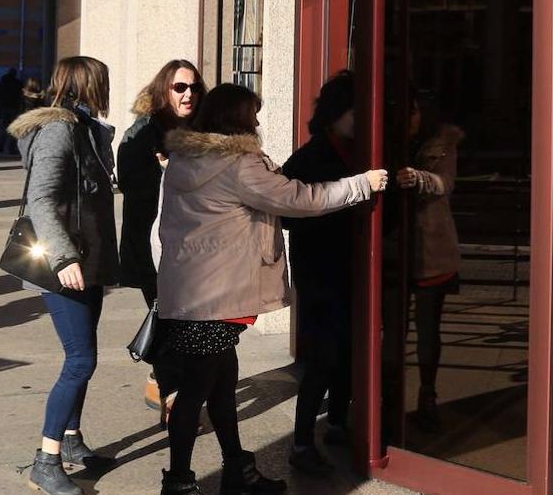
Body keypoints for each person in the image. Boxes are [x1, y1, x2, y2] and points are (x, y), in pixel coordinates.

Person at [156, 83, 388, 495]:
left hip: (190, 291)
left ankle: (236, 469)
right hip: (217, 294)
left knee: (221, 385)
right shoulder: (238, 165)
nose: (258, 121)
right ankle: (179, 480)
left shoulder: (183, 159)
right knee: (197, 391)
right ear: (236, 118)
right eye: (253, 113)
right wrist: (362, 184)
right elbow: (300, 199)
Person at [7, 56, 119, 495]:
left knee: (82, 357)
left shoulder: (85, 128)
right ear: (89, 84)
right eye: (102, 81)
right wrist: (63, 258)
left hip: (85, 263)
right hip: (64, 266)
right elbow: (41, 198)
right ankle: (45, 461)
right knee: (80, 361)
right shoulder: (59, 130)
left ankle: (71, 442)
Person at [117, 60, 205, 421]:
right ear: (163, 90)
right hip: (155, 247)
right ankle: (174, 400)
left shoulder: (203, 130)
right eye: (180, 88)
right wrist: (172, 175)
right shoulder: (142, 133)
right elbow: (132, 189)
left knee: (189, 324)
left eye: (194, 88)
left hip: (198, 247)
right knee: (169, 320)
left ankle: (162, 381)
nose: (188, 95)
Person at [281, 71, 360, 474]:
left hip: (351, 271)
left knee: (347, 354)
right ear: (333, 115)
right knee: (322, 360)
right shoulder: (309, 157)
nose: (359, 117)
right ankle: (299, 443)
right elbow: (286, 214)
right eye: (352, 110)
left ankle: (339, 423)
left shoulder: (359, 151)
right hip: (321, 275)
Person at [395, 93, 464, 432]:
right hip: (394, 248)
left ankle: (427, 394)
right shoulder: (388, 140)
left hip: (430, 248)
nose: (409, 119)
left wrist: (418, 178)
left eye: (414, 112)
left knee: (427, 329)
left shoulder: (443, 142)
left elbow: (445, 183)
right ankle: (389, 399)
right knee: (393, 331)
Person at [0, 69, 25, 154]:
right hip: (14, 107)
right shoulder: (17, 83)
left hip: (4, 107)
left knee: (3, 127)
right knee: (13, 128)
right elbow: (20, 95)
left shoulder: (2, 82)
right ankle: (11, 148)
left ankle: (0, 146)